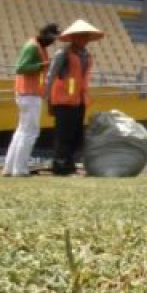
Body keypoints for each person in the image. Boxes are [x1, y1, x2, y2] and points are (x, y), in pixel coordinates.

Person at [2, 23, 60, 177]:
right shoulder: (33, 47)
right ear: (45, 34)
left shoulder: (37, 47)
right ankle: (19, 170)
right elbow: (20, 67)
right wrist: (44, 64)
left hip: (28, 94)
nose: (53, 41)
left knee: (21, 131)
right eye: (52, 37)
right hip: (29, 94)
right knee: (30, 132)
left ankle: (9, 168)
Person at [45, 19, 102, 176]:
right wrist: (48, 99)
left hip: (79, 100)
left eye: (86, 37)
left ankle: (69, 163)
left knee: (75, 134)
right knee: (63, 133)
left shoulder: (86, 55)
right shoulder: (62, 54)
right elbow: (51, 76)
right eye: (81, 36)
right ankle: (59, 165)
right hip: (63, 101)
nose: (84, 40)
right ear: (73, 37)